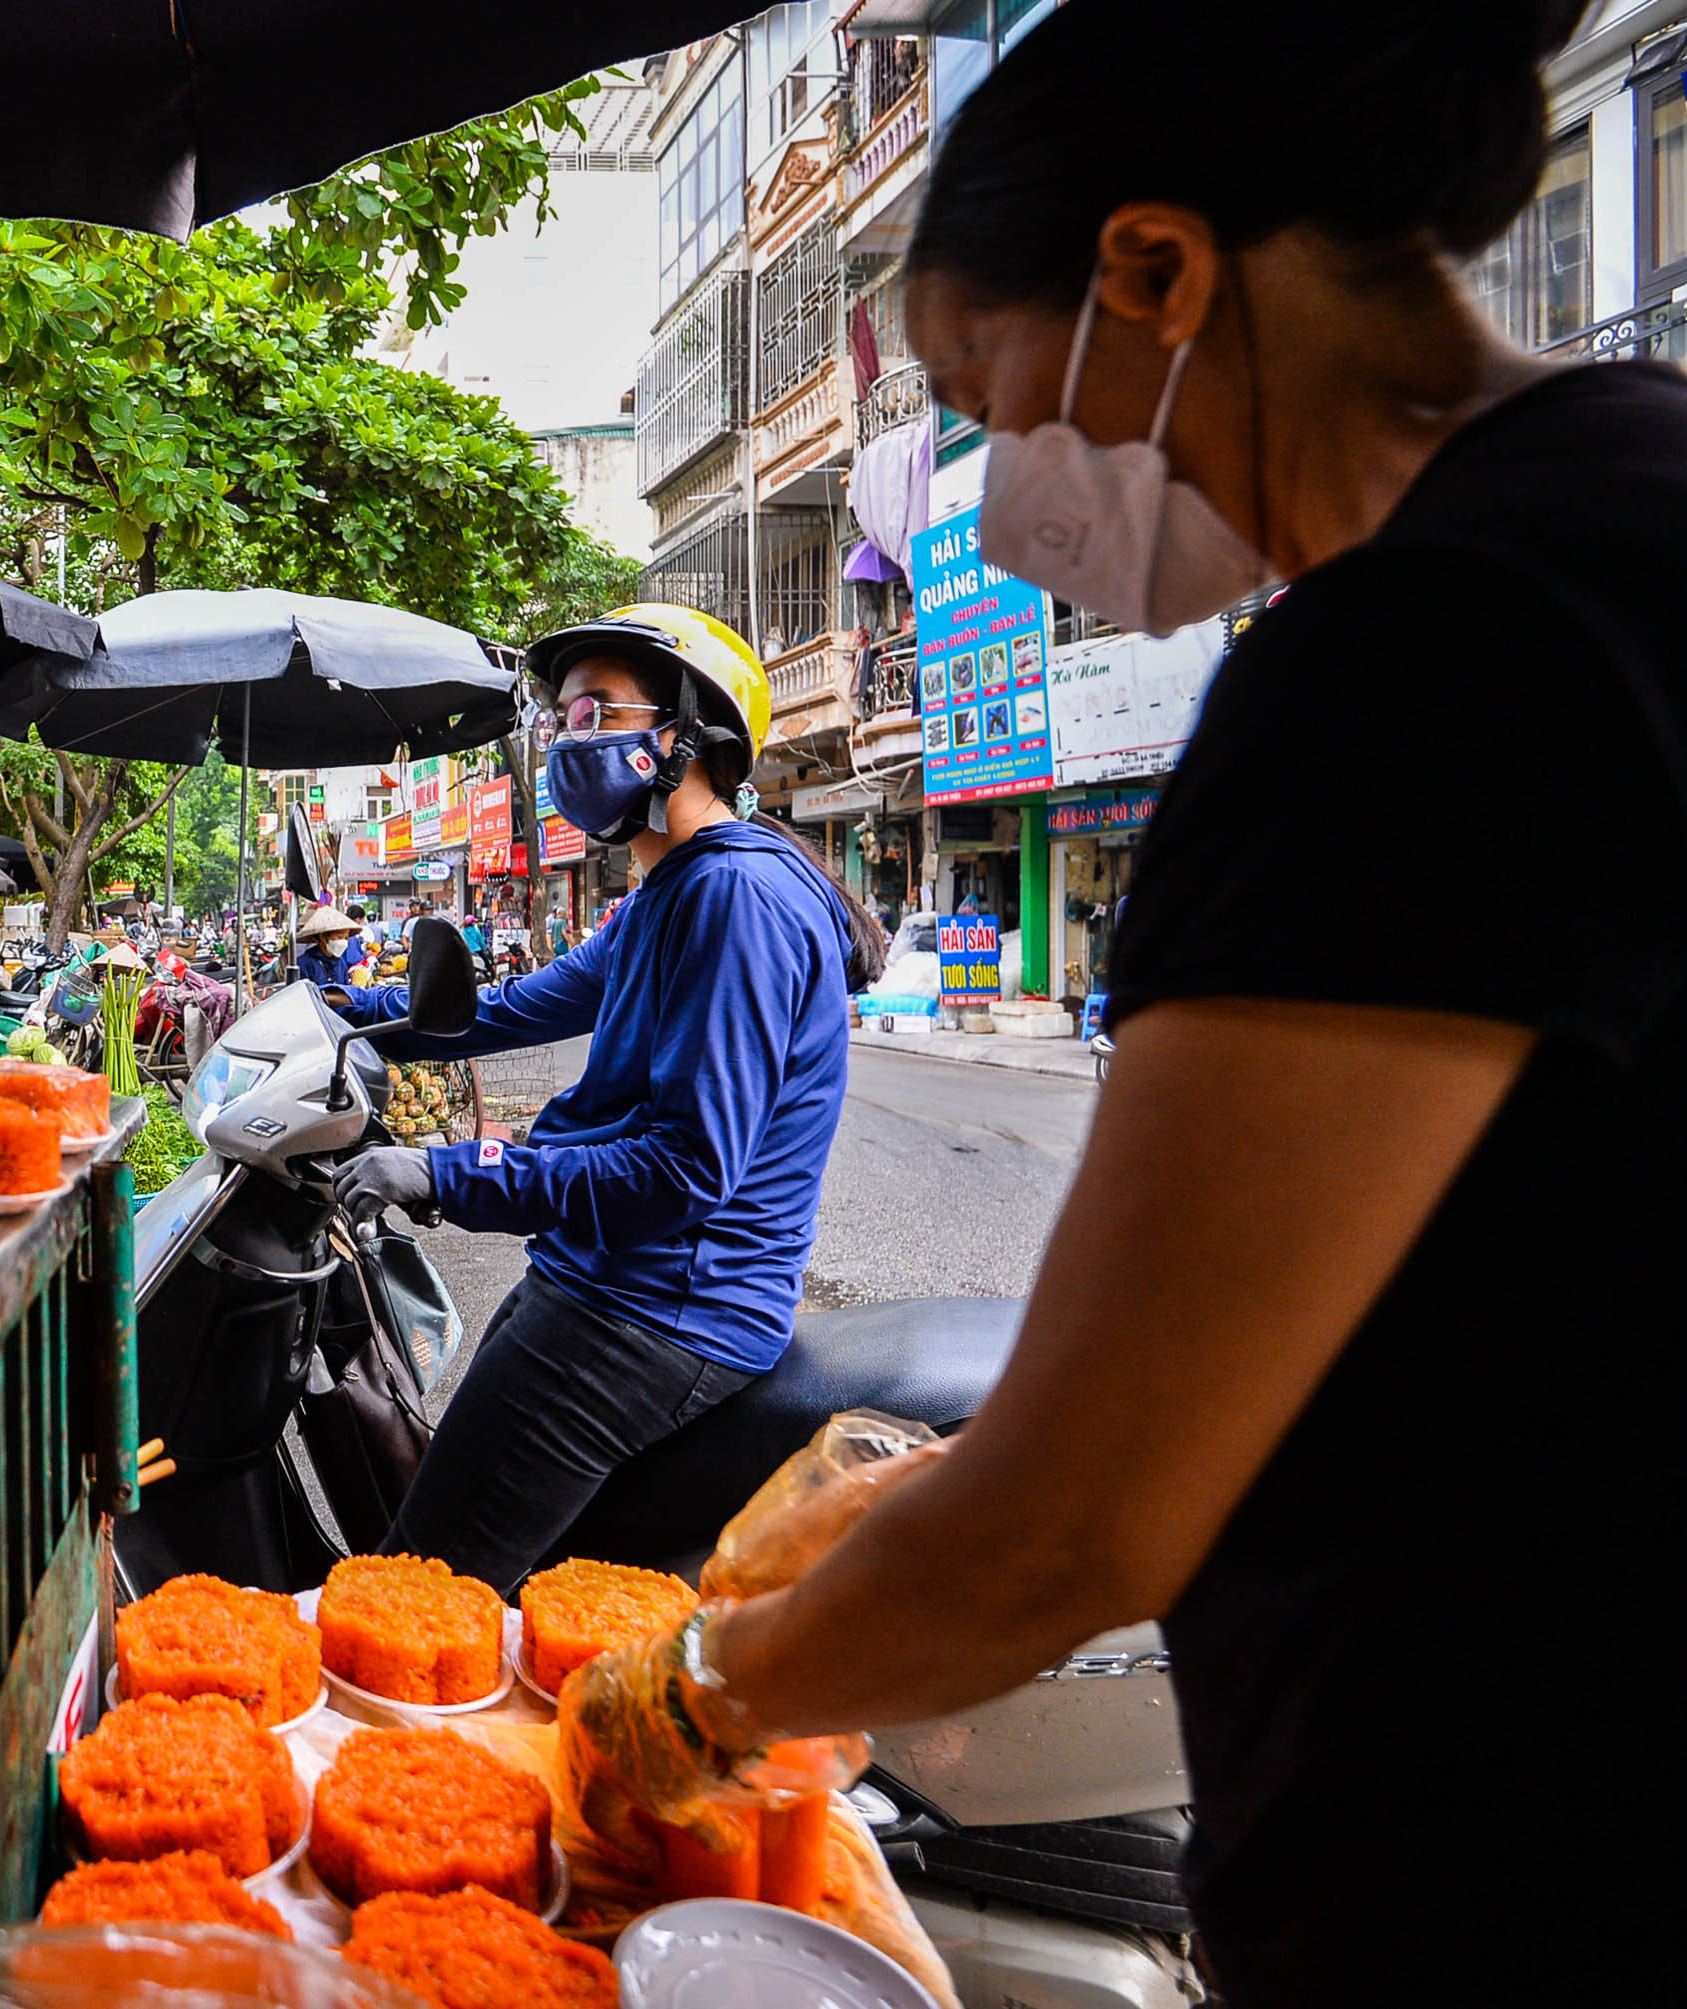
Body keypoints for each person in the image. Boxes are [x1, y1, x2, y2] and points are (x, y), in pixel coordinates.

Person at [603, 7, 1681, 2006]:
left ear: (1158, 274)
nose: (980, 502)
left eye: (977, 396)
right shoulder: (1639, 504)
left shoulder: (1423, 656)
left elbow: (1077, 1524)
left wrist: (687, 1691)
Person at [329, 604, 888, 1591]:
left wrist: (442, 1171)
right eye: (562, 720)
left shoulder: (735, 898)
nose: (566, 742)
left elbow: (685, 1168)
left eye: (595, 714)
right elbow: (500, 1010)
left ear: (683, 733)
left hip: (659, 1305)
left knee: (420, 1591)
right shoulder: (667, 897)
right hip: (608, 1280)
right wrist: (339, 1010)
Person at [294, 904, 362, 988]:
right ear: (323, 937)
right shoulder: (304, 963)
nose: (344, 941)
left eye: (346, 937)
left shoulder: (340, 963)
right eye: (339, 937)